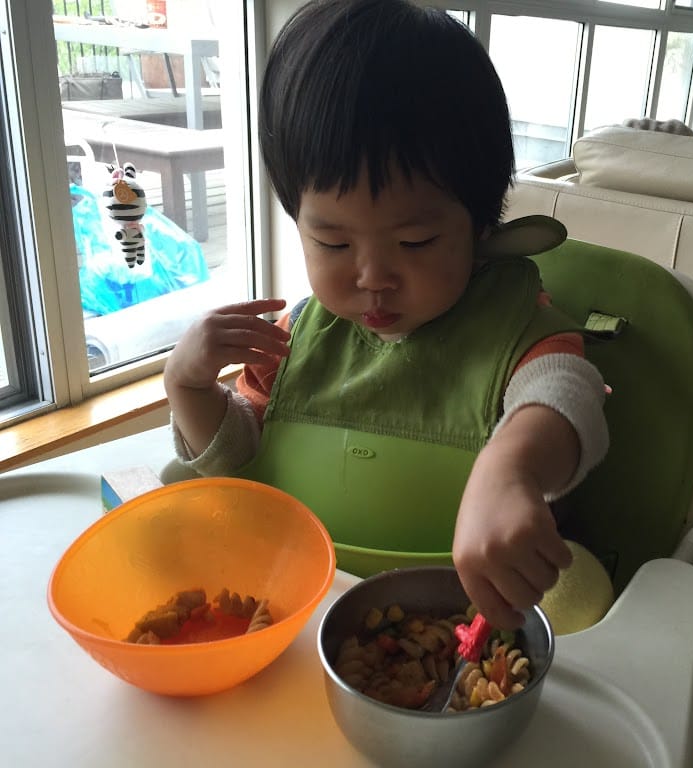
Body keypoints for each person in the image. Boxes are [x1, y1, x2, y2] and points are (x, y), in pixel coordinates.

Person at [163, 0, 609, 630]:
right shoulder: (297, 340)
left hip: (471, 613)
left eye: (415, 242)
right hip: (298, 607)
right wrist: (188, 387)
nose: (372, 276)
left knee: (577, 592)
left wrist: (512, 469)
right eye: (333, 243)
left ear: (480, 226)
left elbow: (567, 396)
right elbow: (242, 465)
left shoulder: (515, 330)